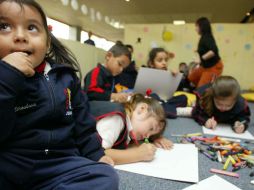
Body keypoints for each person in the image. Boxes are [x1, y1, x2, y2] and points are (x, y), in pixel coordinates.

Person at [0, 0, 118, 189]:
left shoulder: (65, 77)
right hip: (10, 167)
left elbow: (83, 124)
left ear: (47, 42)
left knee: (105, 176)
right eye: (4, 26)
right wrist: (6, 78)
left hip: (59, 163)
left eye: (32, 27)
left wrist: (96, 154)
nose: (20, 36)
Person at [95, 94, 173, 165]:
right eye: (151, 128)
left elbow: (143, 139)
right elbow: (98, 154)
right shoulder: (116, 120)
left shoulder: (132, 126)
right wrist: (138, 154)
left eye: (151, 135)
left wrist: (155, 138)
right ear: (142, 109)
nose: (147, 137)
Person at [147, 48, 189, 118]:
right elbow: (145, 92)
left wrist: (175, 78)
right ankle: (173, 110)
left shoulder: (169, 74)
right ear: (151, 63)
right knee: (153, 96)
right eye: (160, 60)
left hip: (165, 100)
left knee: (183, 98)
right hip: (151, 100)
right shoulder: (147, 74)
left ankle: (164, 108)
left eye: (166, 60)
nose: (164, 63)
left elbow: (177, 89)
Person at [188, 17, 223, 88]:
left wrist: (201, 59)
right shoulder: (204, 37)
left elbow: (213, 51)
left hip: (213, 67)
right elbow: (207, 49)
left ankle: (203, 93)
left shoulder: (207, 37)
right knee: (191, 78)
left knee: (202, 89)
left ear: (202, 27)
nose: (195, 29)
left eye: (197, 26)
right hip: (205, 67)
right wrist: (198, 51)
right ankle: (199, 90)